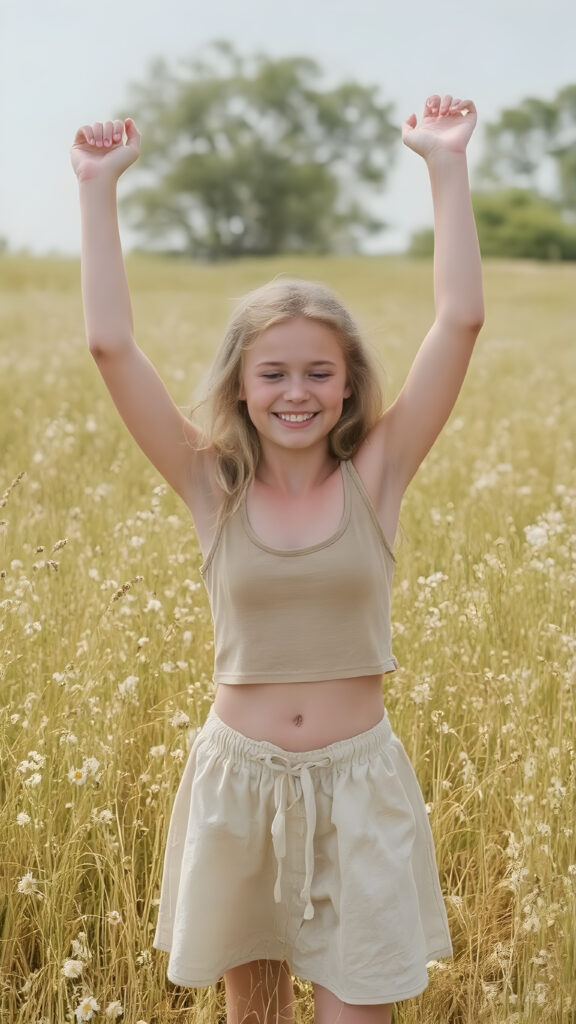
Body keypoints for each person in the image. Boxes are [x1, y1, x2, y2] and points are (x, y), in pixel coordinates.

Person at [71, 93, 483, 1024]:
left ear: (347, 387)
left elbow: (459, 322)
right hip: (238, 784)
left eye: (319, 373)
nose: (297, 393)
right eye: (274, 373)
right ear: (242, 387)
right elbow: (110, 345)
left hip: (360, 787)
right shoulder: (208, 485)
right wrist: (98, 190)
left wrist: (444, 165)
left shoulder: (378, 473)